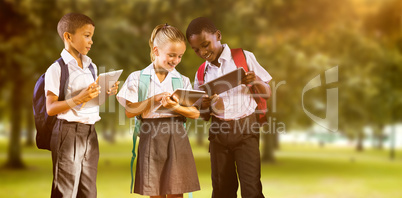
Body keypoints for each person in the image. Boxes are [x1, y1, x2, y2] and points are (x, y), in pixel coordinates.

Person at [186, 17, 272, 198]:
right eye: (196, 49)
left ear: (218, 35)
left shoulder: (244, 57)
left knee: (251, 190)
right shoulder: (202, 73)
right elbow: (203, 115)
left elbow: (267, 93)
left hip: (246, 130)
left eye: (205, 44)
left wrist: (255, 80)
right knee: (221, 190)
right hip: (218, 132)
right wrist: (205, 106)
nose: (202, 52)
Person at [116, 23, 200, 198]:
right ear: (156, 51)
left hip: (177, 137)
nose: (175, 60)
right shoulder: (138, 78)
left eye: (180, 56)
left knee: (177, 191)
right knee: (155, 192)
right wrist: (153, 99)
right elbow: (130, 111)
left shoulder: (182, 81)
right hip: (151, 136)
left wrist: (175, 107)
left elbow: (195, 113)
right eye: (171, 55)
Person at [45, 13, 119, 198]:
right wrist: (78, 98)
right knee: (66, 190)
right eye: (86, 36)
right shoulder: (57, 69)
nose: (91, 41)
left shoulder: (90, 67)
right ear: (68, 37)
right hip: (68, 133)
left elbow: (92, 102)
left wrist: (105, 92)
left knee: (88, 191)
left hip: (90, 133)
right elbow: (51, 108)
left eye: (92, 36)